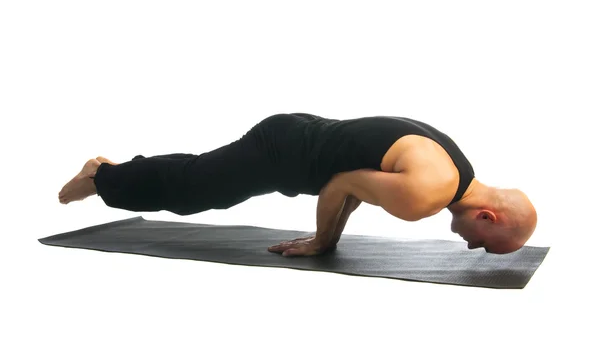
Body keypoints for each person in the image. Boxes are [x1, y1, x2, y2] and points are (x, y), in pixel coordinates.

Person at [58, 112, 537, 256]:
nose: (474, 250)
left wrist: (328, 237)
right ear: (487, 217)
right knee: (191, 192)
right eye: (486, 245)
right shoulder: (427, 197)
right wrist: (321, 242)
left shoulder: (458, 167)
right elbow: (341, 186)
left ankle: (113, 172)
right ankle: (100, 176)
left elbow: (355, 182)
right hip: (282, 151)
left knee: (198, 175)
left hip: (300, 135)